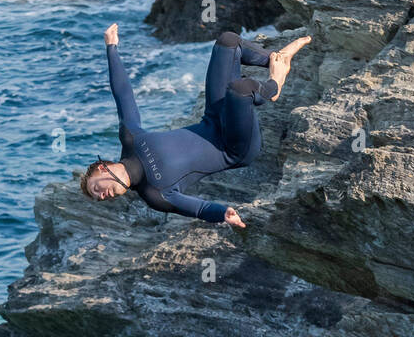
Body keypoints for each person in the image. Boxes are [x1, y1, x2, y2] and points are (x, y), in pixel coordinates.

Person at [81, 24, 311, 228]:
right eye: (98, 198)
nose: (102, 197)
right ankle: (275, 83)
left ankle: (277, 58)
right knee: (241, 90)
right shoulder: (155, 194)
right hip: (234, 148)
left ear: (102, 168)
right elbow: (198, 209)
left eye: (96, 189)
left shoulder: (131, 139)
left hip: (213, 118)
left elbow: (123, 95)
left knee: (228, 43)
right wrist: (223, 214)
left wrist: (111, 47)